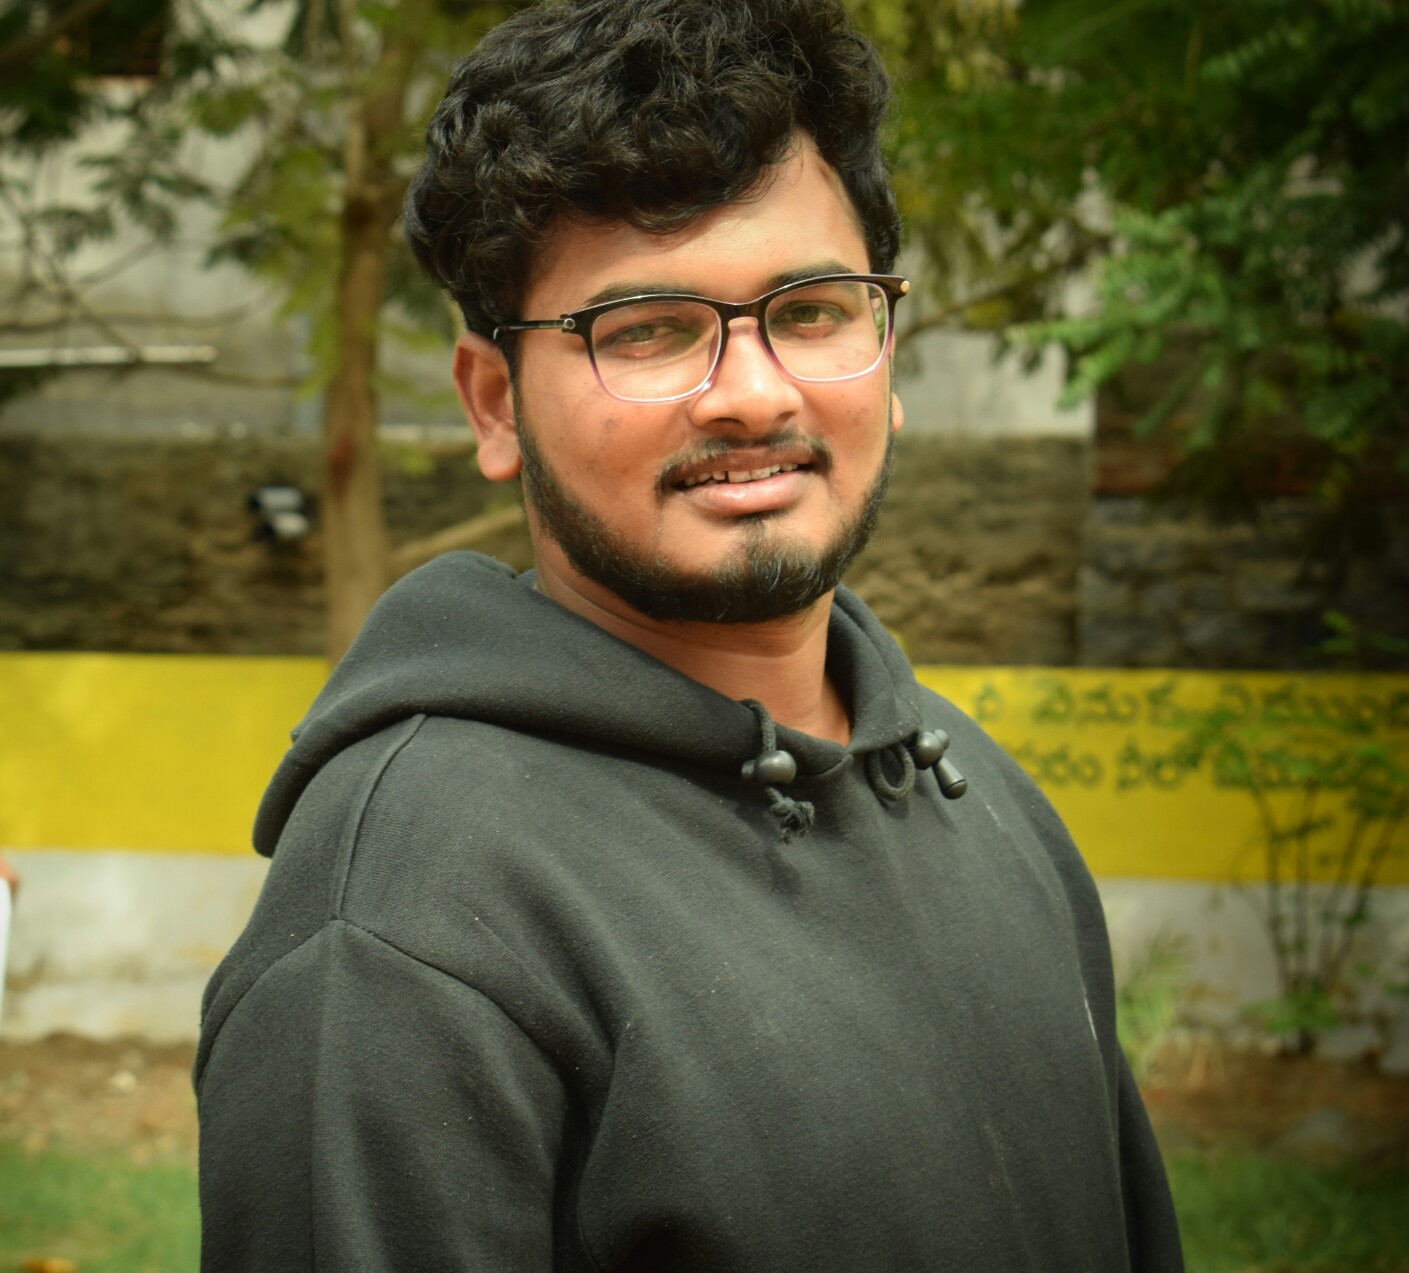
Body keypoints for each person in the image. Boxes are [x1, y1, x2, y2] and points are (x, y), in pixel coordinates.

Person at [195, 0, 1183, 1268]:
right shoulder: (405, 927)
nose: (753, 394)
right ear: (494, 405)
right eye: (648, 330)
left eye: (812, 310)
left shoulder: (983, 800)